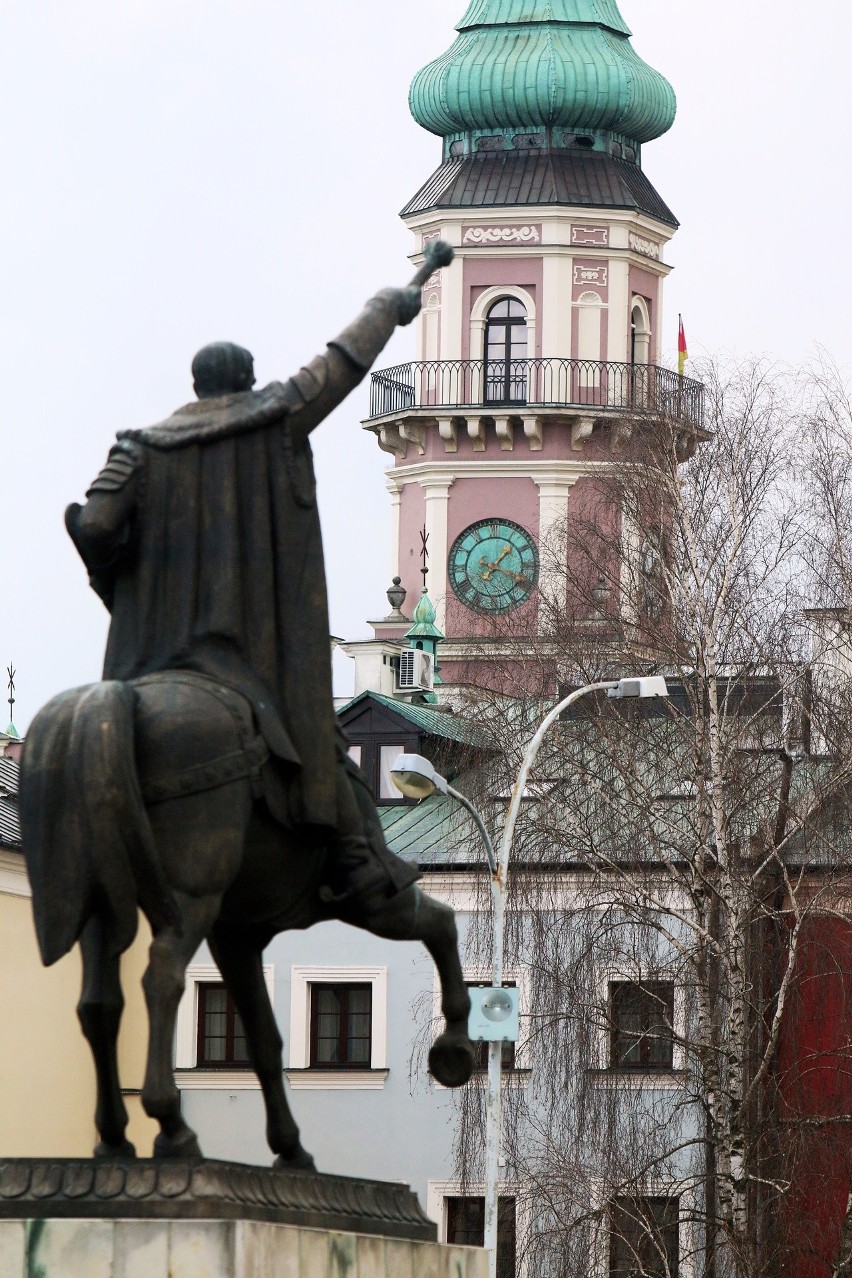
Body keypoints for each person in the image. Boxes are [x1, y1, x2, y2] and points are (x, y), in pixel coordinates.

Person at [65, 283, 424, 911]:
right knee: (323, 747)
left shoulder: (138, 449)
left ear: (197, 386)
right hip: (243, 655)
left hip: (148, 656)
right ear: (246, 382)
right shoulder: (273, 418)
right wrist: (388, 307)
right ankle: (357, 859)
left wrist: (111, 576)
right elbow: (338, 366)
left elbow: (94, 525)